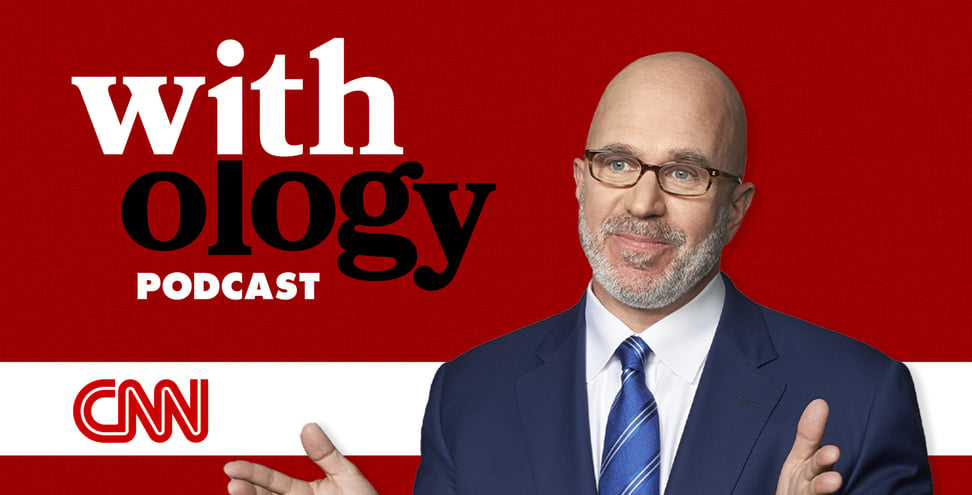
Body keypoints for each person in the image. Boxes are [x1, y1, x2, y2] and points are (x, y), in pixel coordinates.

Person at [224, 52, 933, 494]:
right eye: (618, 163)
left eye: (684, 171)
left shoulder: (860, 397)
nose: (643, 202)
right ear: (578, 180)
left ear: (736, 205)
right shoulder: (469, 396)